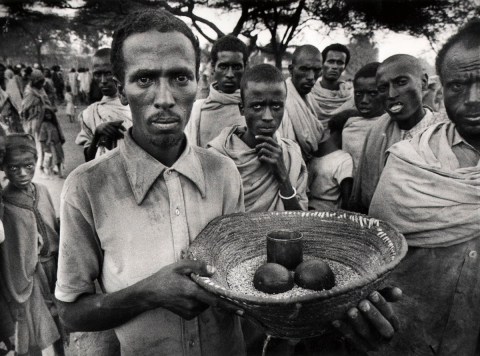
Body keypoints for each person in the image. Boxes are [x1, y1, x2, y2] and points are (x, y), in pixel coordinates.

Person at [55, 9, 247, 356]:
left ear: (197, 83)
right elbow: (71, 312)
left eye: (179, 78)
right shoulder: (86, 188)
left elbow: (239, 274)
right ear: (122, 90)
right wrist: (149, 293)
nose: (164, 98)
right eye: (144, 79)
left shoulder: (224, 174)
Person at [367, 19, 480, 356]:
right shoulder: (409, 160)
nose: (473, 99)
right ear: (442, 89)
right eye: (458, 85)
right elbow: (379, 254)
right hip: (416, 333)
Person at [350, 54, 445, 213]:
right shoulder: (377, 131)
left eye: (401, 83)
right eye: (383, 88)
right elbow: (362, 197)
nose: (392, 94)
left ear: (423, 81)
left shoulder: (443, 133)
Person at [208, 63, 308, 213]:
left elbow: (301, 223)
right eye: (257, 106)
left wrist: (283, 178)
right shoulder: (216, 156)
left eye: (276, 107)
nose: (267, 117)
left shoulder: (291, 154)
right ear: (242, 108)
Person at [0, 133, 63, 356]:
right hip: (30, 279)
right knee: (34, 334)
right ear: (4, 168)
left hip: (54, 270)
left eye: (28, 165)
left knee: (60, 325)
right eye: (14, 168)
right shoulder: (5, 205)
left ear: (35, 161)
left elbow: (53, 228)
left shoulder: (42, 191)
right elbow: (10, 254)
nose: (23, 173)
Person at [185, 35, 248, 147]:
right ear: (213, 68)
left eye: (236, 67)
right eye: (223, 67)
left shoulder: (257, 109)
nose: (230, 74)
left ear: (245, 68)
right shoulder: (195, 112)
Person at [75, 48, 132, 161]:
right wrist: (97, 135)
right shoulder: (90, 113)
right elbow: (89, 159)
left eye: (108, 73)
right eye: (97, 74)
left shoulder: (137, 105)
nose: (103, 80)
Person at [279, 45, 327, 160]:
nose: (311, 77)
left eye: (316, 70)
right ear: (291, 70)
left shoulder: (310, 99)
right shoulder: (280, 100)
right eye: (304, 69)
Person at [342, 62, 384, 173]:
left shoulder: (393, 126)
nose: (364, 100)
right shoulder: (348, 125)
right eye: (359, 94)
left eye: (373, 94)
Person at [307, 117, 353, 211]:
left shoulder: (309, 155)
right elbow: (347, 201)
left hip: (305, 209)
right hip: (328, 215)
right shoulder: (344, 159)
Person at [311, 43, 354, 126]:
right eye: (331, 61)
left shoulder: (350, 96)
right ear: (322, 63)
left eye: (340, 63)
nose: (335, 66)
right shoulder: (310, 93)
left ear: (344, 67)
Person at [21, 69, 52, 140]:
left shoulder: (41, 90)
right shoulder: (29, 92)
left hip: (44, 119)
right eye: (39, 82)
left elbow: (47, 101)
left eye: (42, 82)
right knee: (35, 138)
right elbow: (25, 108)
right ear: (34, 82)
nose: (41, 85)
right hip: (33, 120)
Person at [39, 108, 65, 178]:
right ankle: (47, 171)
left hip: (57, 143)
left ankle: (60, 172)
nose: (48, 116)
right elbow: (42, 136)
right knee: (49, 159)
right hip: (49, 144)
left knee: (59, 158)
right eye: (47, 114)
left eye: (50, 114)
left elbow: (59, 131)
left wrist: (61, 139)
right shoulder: (44, 124)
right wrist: (45, 143)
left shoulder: (55, 123)